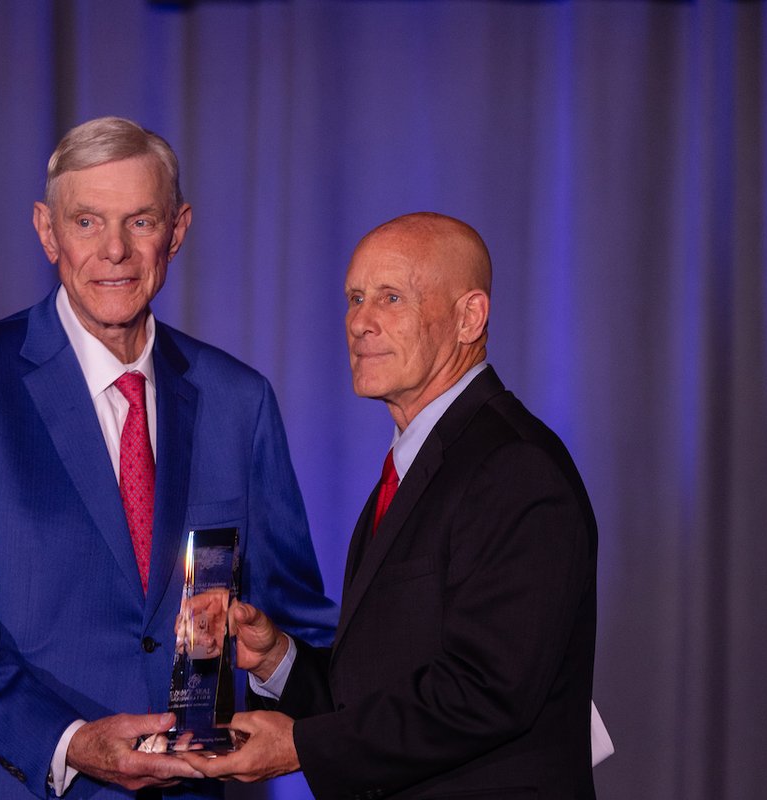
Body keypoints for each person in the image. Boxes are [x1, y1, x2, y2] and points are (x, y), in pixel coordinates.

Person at [0, 116, 338, 799]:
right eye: (88, 222)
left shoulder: (238, 402)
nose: (115, 251)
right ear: (47, 230)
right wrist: (71, 742)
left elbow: (292, 621)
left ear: (177, 231)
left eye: (141, 222)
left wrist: (271, 660)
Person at [183, 212, 599, 799]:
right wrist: (278, 659)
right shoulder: (418, 464)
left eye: (391, 297)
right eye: (355, 297)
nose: (359, 322)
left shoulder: (514, 466)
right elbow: (379, 691)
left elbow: (486, 692)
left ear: (469, 317)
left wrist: (300, 747)